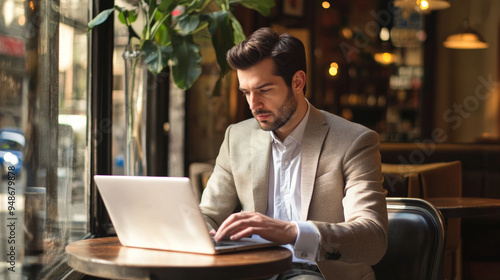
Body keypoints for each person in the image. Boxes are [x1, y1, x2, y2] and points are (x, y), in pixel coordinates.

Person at [199, 27, 388, 280]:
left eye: (264, 90)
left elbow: (372, 239)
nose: (253, 105)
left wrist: (292, 232)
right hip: (253, 270)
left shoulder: (353, 141)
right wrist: (202, 233)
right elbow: (208, 215)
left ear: (298, 82)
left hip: (319, 272)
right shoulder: (237, 137)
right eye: (246, 92)